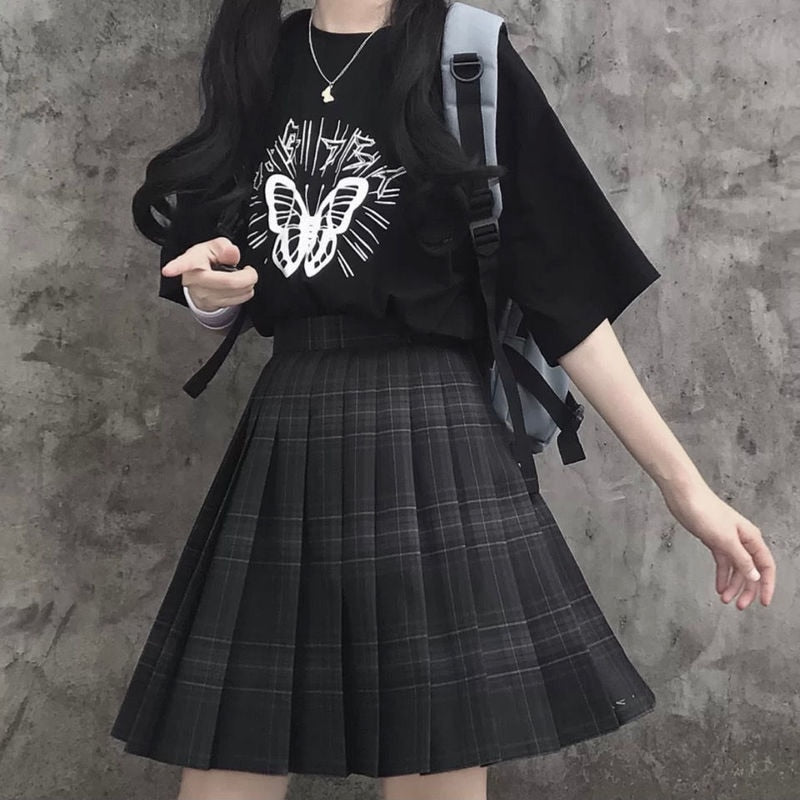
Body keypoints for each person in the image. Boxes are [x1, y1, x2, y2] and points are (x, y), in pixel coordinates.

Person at [110, 2, 777, 799]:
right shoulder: (262, 57)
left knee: (433, 765)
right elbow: (211, 251)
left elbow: (565, 297)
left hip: (432, 441)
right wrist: (210, 291)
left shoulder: (466, 57)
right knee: (230, 756)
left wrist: (685, 489)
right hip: (288, 432)